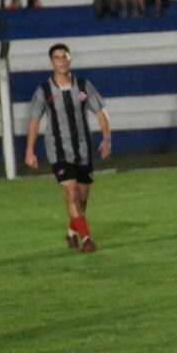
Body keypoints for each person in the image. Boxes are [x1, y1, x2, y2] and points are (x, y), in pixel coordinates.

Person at [24, 43, 112, 253]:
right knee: (71, 194)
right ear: (52, 62)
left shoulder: (83, 86)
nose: (62, 60)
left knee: (82, 198)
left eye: (65, 56)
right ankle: (87, 238)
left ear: (70, 59)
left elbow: (100, 112)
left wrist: (106, 139)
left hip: (83, 148)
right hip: (59, 150)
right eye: (57, 57)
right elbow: (35, 121)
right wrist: (29, 151)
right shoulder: (44, 91)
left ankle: (72, 233)